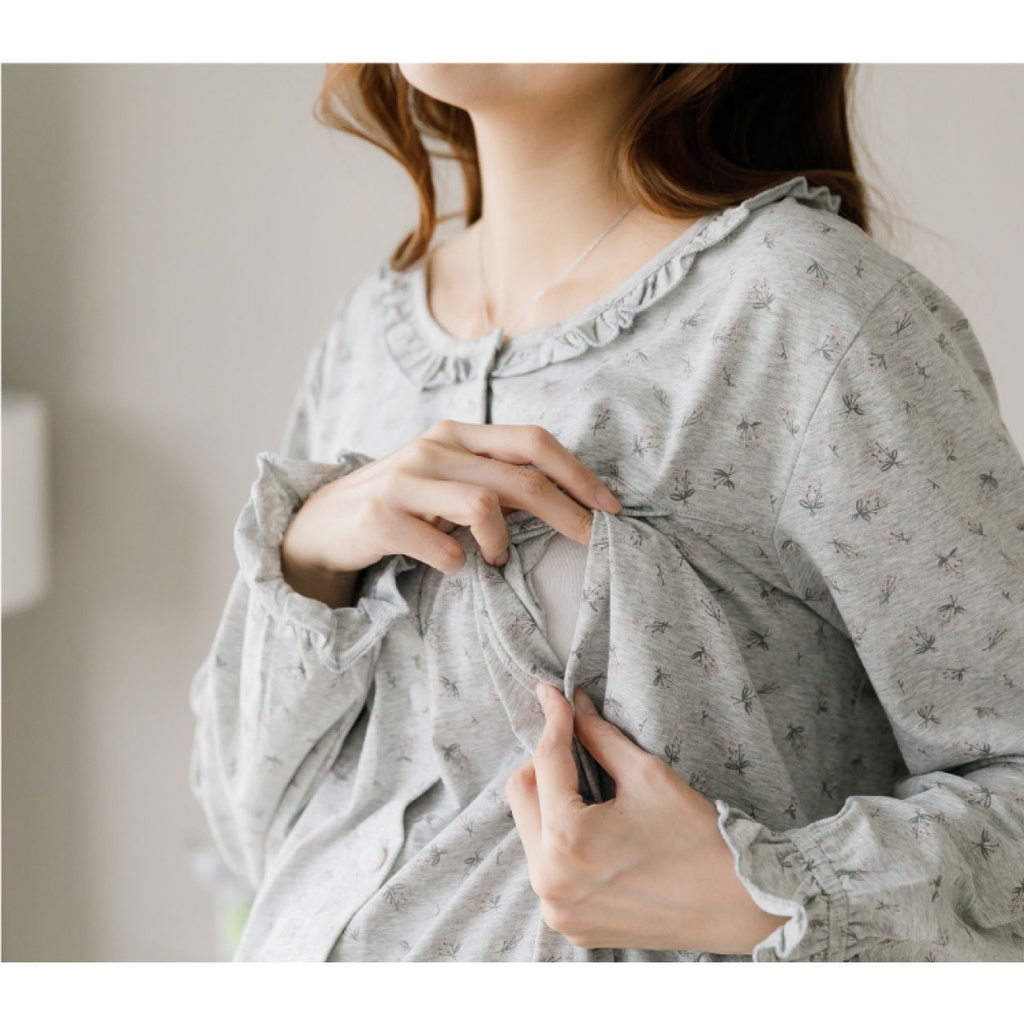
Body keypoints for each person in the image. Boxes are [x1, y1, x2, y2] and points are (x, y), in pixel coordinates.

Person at [189, 64, 1024, 961]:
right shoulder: (367, 336)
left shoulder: (799, 306)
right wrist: (309, 558)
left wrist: (766, 891)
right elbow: (246, 825)